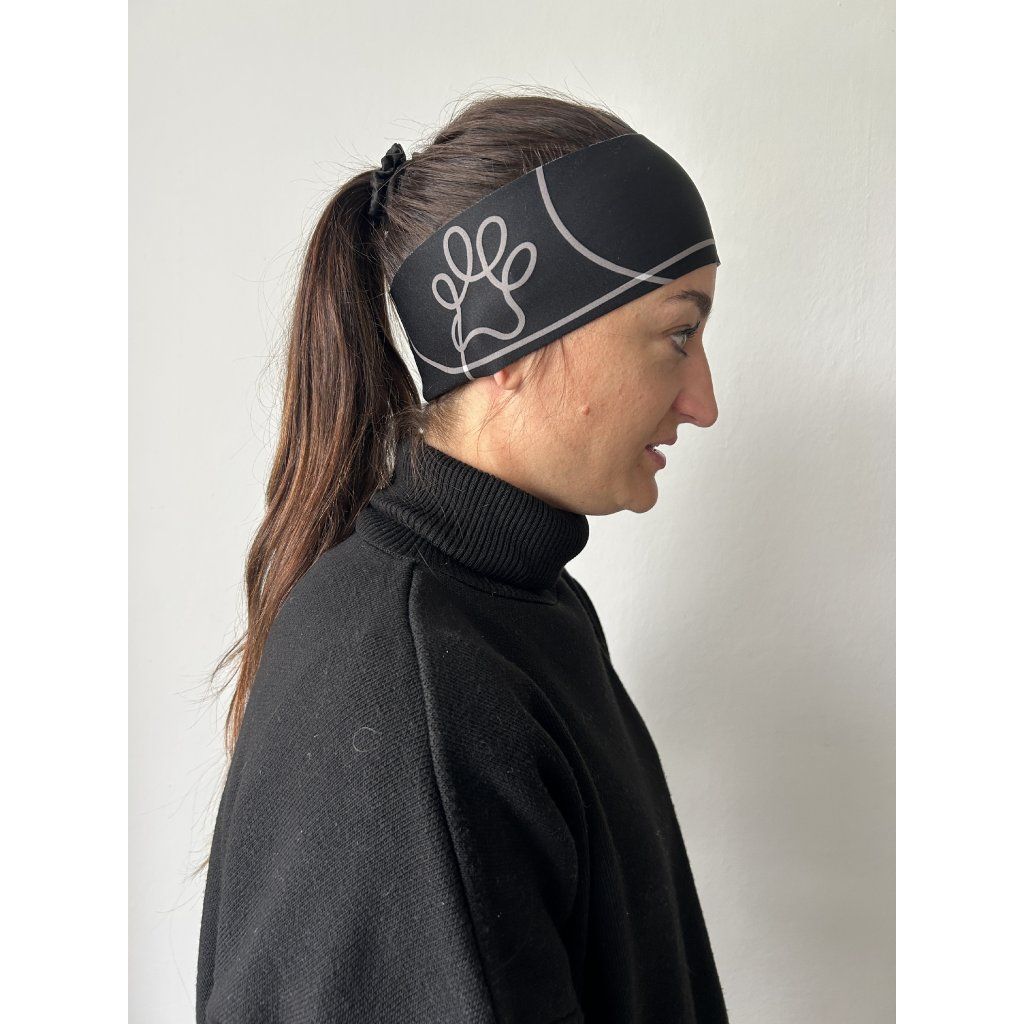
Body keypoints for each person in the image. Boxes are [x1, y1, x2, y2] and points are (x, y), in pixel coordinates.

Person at [195, 90, 729, 1023]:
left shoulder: (518, 607)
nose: (703, 401)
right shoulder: (419, 688)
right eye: (678, 333)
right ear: (506, 337)